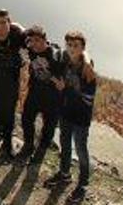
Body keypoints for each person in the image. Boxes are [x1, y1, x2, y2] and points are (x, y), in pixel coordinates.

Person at [45, 31, 97, 205]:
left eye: (76, 45)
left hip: (81, 118)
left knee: (81, 150)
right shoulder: (64, 60)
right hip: (65, 113)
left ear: (82, 48)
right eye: (69, 45)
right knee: (65, 144)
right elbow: (51, 50)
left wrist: (64, 89)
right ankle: (64, 174)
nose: (72, 48)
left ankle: (82, 185)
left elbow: (88, 98)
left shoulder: (87, 70)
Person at [0, 8, 26, 158]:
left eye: (3, 22)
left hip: (11, 79)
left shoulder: (17, 36)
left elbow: (36, 42)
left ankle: (7, 142)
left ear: (9, 21)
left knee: (8, 111)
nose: (0, 26)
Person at [19, 25, 64, 164]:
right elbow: (17, 32)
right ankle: (28, 145)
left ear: (45, 40)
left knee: (49, 126)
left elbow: (62, 84)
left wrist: (49, 76)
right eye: (31, 40)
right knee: (26, 119)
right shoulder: (31, 49)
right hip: (34, 93)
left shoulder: (56, 55)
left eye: (37, 40)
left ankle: (42, 149)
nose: (34, 44)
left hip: (53, 98)